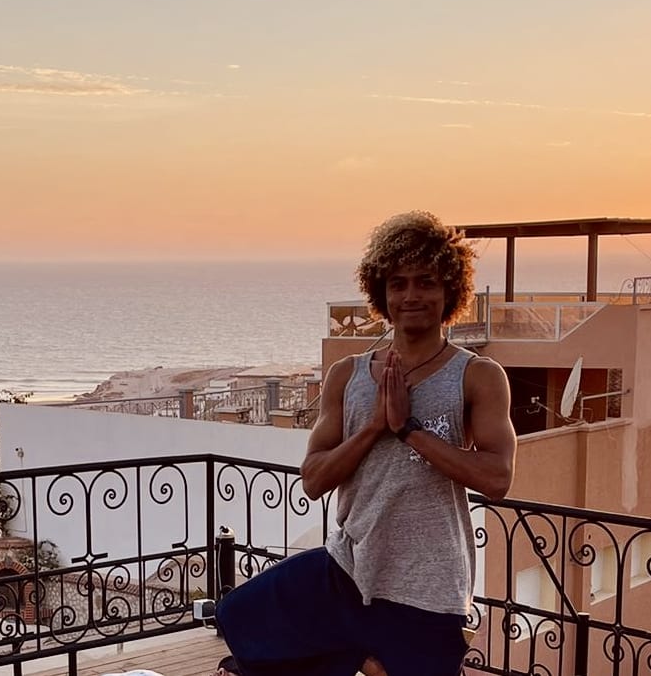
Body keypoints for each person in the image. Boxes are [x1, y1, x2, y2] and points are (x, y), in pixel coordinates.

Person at [216, 211, 517, 676]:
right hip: (349, 568)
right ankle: (361, 657)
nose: (411, 295)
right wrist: (374, 427)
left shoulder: (477, 375)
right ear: (381, 293)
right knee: (239, 615)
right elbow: (314, 479)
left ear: (450, 291)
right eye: (398, 284)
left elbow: (498, 478)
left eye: (426, 282)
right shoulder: (347, 375)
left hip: (428, 586)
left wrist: (408, 429)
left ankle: (368, 659)